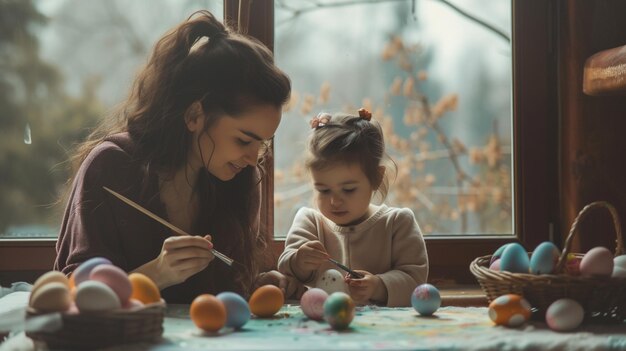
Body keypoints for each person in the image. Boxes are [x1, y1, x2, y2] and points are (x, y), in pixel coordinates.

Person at [54, 10, 297, 303]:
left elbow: (226, 287)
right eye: (244, 140)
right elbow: (73, 295)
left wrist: (255, 283)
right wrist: (156, 274)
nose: (253, 158)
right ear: (195, 115)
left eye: (263, 143)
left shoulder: (242, 179)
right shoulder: (110, 167)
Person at [277, 108, 428, 307]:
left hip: (381, 331)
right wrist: (298, 261)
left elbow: (416, 282)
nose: (334, 202)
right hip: (321, 329)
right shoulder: (310, 222)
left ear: (377, 178)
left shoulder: (397, 223)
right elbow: (286, 272)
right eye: (323, 190)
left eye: (348, 190)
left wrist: (378, 286)